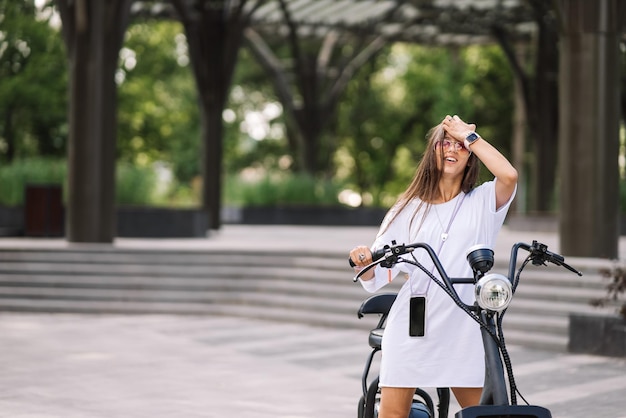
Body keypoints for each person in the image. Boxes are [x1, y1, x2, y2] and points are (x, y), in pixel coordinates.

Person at [349, 114, 518, 418]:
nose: (453, 150)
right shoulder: (408, 208)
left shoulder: (482, 202)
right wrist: (364, 259)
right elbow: (378, 271)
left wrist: (468, 135)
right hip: (413, 320)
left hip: (464, 321)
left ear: (471, 155)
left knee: (484, 413)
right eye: (445, 142)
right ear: (433, 151)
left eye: (461, 146)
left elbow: (509, 176)